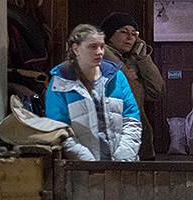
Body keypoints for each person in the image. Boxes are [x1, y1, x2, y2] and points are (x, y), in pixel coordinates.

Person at [45, 24, 142, 161]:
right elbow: (60, 130)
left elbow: (131, 118)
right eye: (93, 47)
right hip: (81, 170)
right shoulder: (60, 83)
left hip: (122, 168)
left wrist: (123, 158)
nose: (99, 52)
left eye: (102, 46)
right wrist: (88, 162)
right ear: (76, 49)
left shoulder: (116, 77)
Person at [100, 12, 165, 160]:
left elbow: (156, 91)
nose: (130, 37)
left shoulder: (134, 62)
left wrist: (143, 58)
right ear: (108, 35)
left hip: (140, 144)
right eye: (123, 32)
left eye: (134, 33)